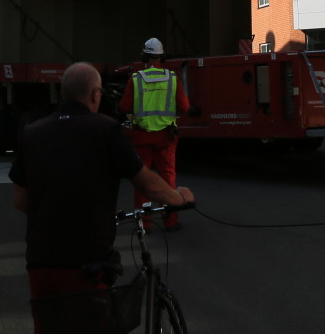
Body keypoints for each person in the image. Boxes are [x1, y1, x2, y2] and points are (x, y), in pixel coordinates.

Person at [12, 62, 194, 333]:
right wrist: (178, 199)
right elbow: (148, 183)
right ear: (95, 94)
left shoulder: (32, 132)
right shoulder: (105, 130)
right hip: (87, 261)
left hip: (41, 262)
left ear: (63, 93)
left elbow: (20, 201)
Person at [118, 37, 192, 230]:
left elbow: (124, 106)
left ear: (144, 56)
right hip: (166, 137)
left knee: (143, 181)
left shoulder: (136, 79)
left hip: (141, 137)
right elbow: (184, 106)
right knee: (168, 179)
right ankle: (170, 221)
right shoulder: (172, 78)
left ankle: (144, 224)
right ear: (162, 57)